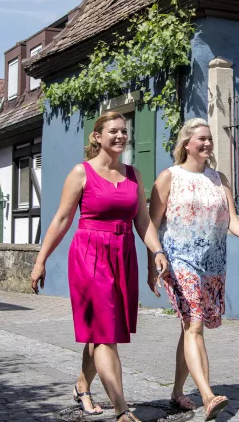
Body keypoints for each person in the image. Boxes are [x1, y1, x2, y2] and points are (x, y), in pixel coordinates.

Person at [30, 111, 168, 422]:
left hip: (123, 255)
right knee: (106, 335)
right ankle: (122, 410)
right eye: (113, 131)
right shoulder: (82, 173)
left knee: (101, 331)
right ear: (97, 137)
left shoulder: (134, 175)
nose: (120, 136)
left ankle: (82, 386)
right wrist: (41, 261)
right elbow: (62, 220)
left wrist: (157, 251)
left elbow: (142, 220)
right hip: (90, 256)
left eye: (124, 131)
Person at [146, 118, 239, 421]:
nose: (207, 144)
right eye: (202, 139)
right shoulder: (169, 177)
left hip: (213, 264)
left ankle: (177, 391)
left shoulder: (219, 179)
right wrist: (151, 264)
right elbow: (150, 226)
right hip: (180, 263)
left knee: (191, 327)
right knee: (194, 324)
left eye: (209, 139)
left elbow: (230, 217)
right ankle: (208, 396)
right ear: (186, 144)